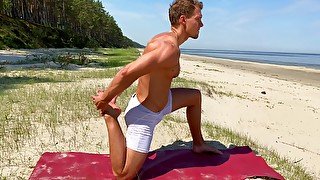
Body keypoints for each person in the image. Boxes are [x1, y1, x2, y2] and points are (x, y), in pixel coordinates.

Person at [92, 0, 222, 179]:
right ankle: (110, 117)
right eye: (198, 19)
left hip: (163, 102)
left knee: (194, 97)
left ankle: (198, 144)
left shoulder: (172, 42)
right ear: (184, 19)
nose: (202, 24)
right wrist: (105, 99)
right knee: (123, 175)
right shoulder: (167, 47)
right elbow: (127, 72)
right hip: (145, 115)